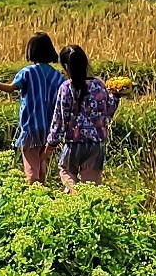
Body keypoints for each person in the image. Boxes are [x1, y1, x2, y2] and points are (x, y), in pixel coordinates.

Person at [0, 33, 64, 184]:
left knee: (31, 166)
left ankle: (33, 190)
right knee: (42, 164)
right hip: (49, 127)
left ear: (31, 50)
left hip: (31, 126)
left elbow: (10, 88)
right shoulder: (57, 76)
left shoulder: (27, 72)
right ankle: (43, 190)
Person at [47, 43, 120, 189]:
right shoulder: (98, 85)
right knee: (91, 186)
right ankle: (86, 200)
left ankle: (73, 194)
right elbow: (108, 111)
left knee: (66, 171)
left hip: (73, 144)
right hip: (95, 144)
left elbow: (59, 119)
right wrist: (116, 96)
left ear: (66, 67)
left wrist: (52, 143)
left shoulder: (66, 88)